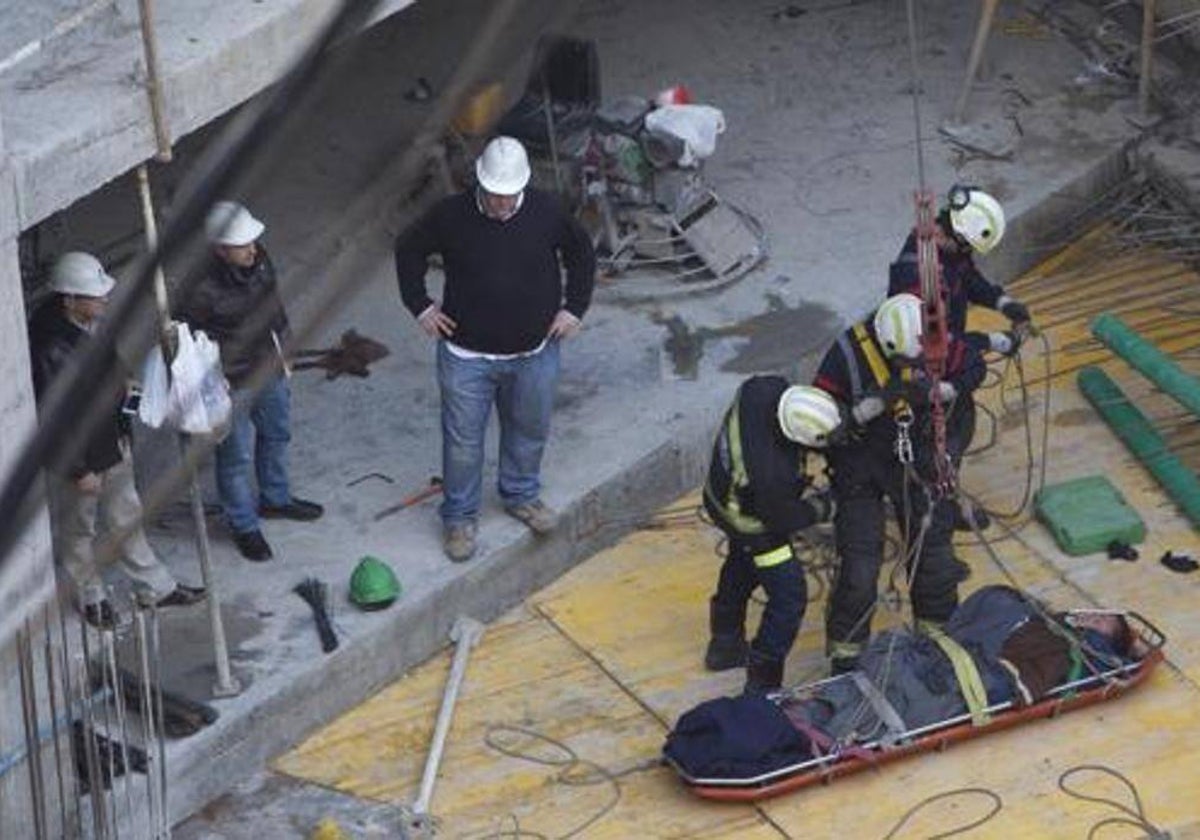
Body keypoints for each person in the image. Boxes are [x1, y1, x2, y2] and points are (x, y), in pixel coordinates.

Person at [663, 584, 1146, 781]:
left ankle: (757, 734)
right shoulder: (1030, 616)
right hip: (926, 665)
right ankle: (762, 729)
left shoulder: (1080, 651)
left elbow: (1123, 661)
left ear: (1105, 630)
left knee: (854, 708)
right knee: (846, 696)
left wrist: (1126, 643)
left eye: (1102, 617)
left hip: (939, 688)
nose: (1089, 612)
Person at [394, 136, 596, 562]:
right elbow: (407, 248)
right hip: (466, 357)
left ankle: (521, 494)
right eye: (495, 196)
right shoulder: (451, 216)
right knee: (463, 443)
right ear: (480, 185)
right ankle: (459, 519)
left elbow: (581, 254)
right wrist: (421, 306)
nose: (503, 206)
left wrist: (575, 308)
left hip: (535, 353)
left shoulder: (546, 211)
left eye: (510, 197)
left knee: (529, 427)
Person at [813, 293, 1012, 675]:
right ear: (889, 350)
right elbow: (821, 424)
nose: (919, 365)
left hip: (917, 459)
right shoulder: (846, 356)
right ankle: (846, 660)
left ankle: (938, 643)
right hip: (860, 468)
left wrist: (941, 391)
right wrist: (865, 409)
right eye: (909, 363)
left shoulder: (932, 335)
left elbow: (972, 368)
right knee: (859, 569)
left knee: (933, 553)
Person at [29, 252, 206, 627]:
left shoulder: (91, 325)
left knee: (127, 515)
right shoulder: (47, 349)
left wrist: (126, 388)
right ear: (70, 300)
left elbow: (113, 364)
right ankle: (91, 597)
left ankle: (154, 587)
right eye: (96, 296)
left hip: (113, 439)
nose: (105, 300)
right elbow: (51, 419)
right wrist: (78, 470)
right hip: (83, 458)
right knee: (79, 531)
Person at [176, 201, 323, 562]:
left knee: (277, 433)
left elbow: (274, 304)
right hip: (230, 380)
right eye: (242, 245)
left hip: (268, 366)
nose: (252, 249)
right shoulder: (198, 290)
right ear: (219, 250)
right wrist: (210, 385)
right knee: (235, 455)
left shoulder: (258, 260)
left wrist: (285, 345)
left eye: (252, 241)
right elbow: (187, 345)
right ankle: (243, 525)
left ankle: (276, 499)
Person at [888, 185, 1032, 531]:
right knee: (936, 442)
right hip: (923, 366)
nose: (968, 253)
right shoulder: (918, 274)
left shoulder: (950, 252)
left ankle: (940, 495)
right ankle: (929, 511)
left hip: (950, 358)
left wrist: (1005, 304)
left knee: (959, 428)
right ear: (959, 232)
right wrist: (991, 341)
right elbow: (933, 340)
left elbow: (970, 280)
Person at [702, 378, 843, 695]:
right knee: (788, 595)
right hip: (751, 523)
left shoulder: (762, 390)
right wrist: (824, 506)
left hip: (718, 494)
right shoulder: (772, 475)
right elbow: (783, 518)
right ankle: (761, 685)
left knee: (741, 562)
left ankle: (724, 643)